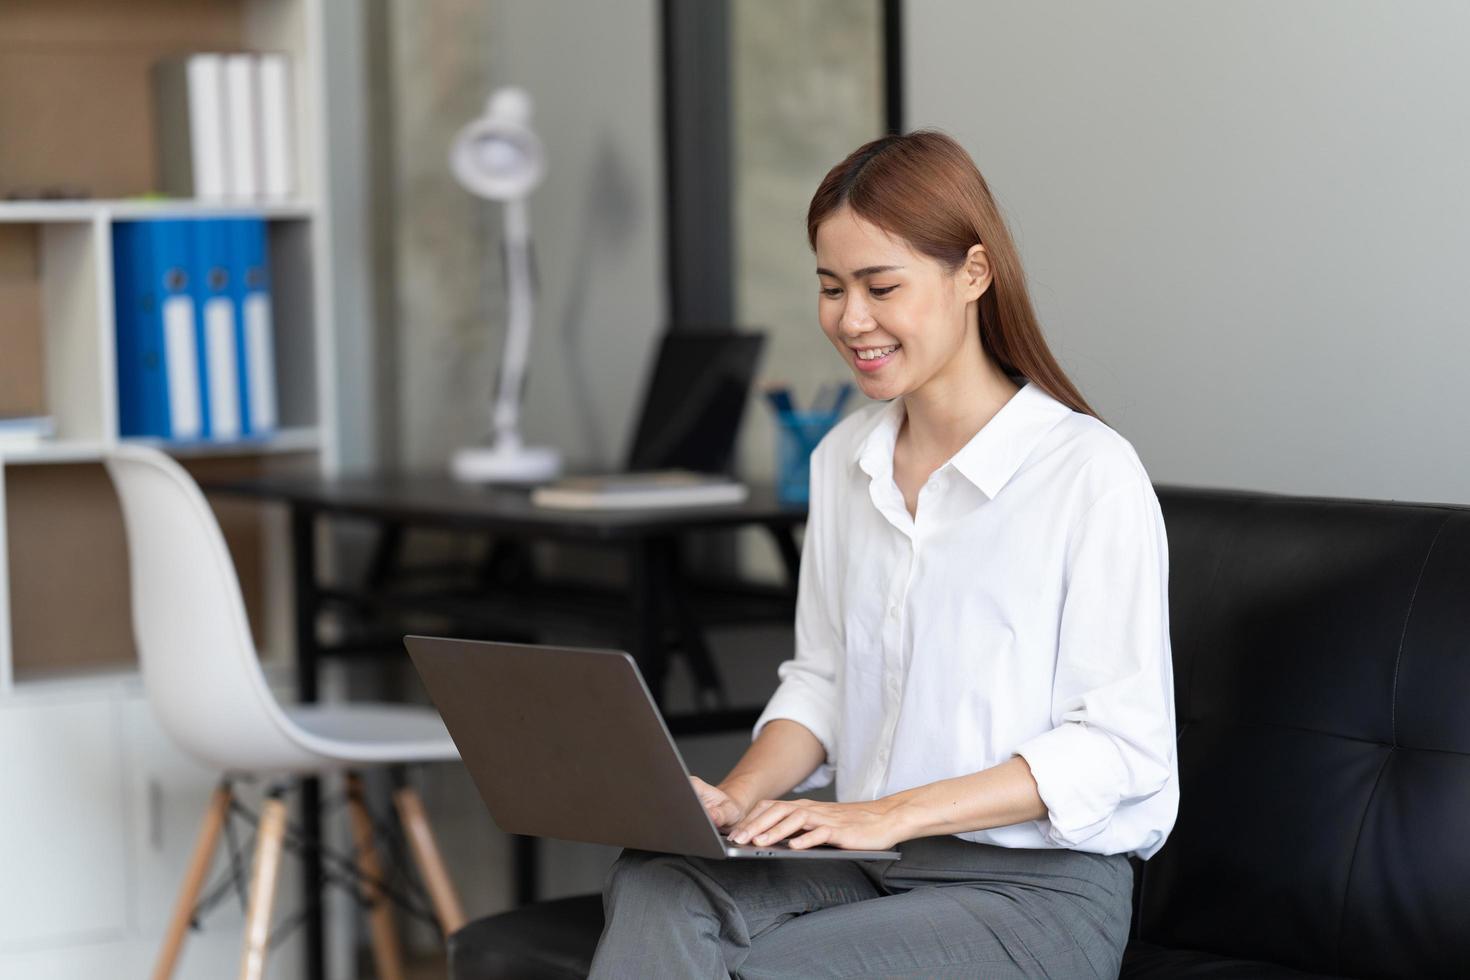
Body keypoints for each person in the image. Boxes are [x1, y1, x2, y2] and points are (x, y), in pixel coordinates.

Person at [588, 129, 1179, 979]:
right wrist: (735, 800)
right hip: (869, 865)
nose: (850, 319)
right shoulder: (843, 460)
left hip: (1033, 893)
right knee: (658, 883)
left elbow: (1121, 747)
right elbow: (822, 681)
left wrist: (888, 814)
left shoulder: (1088, 473)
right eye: (831, 288)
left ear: (973, 274)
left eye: (880, 286)